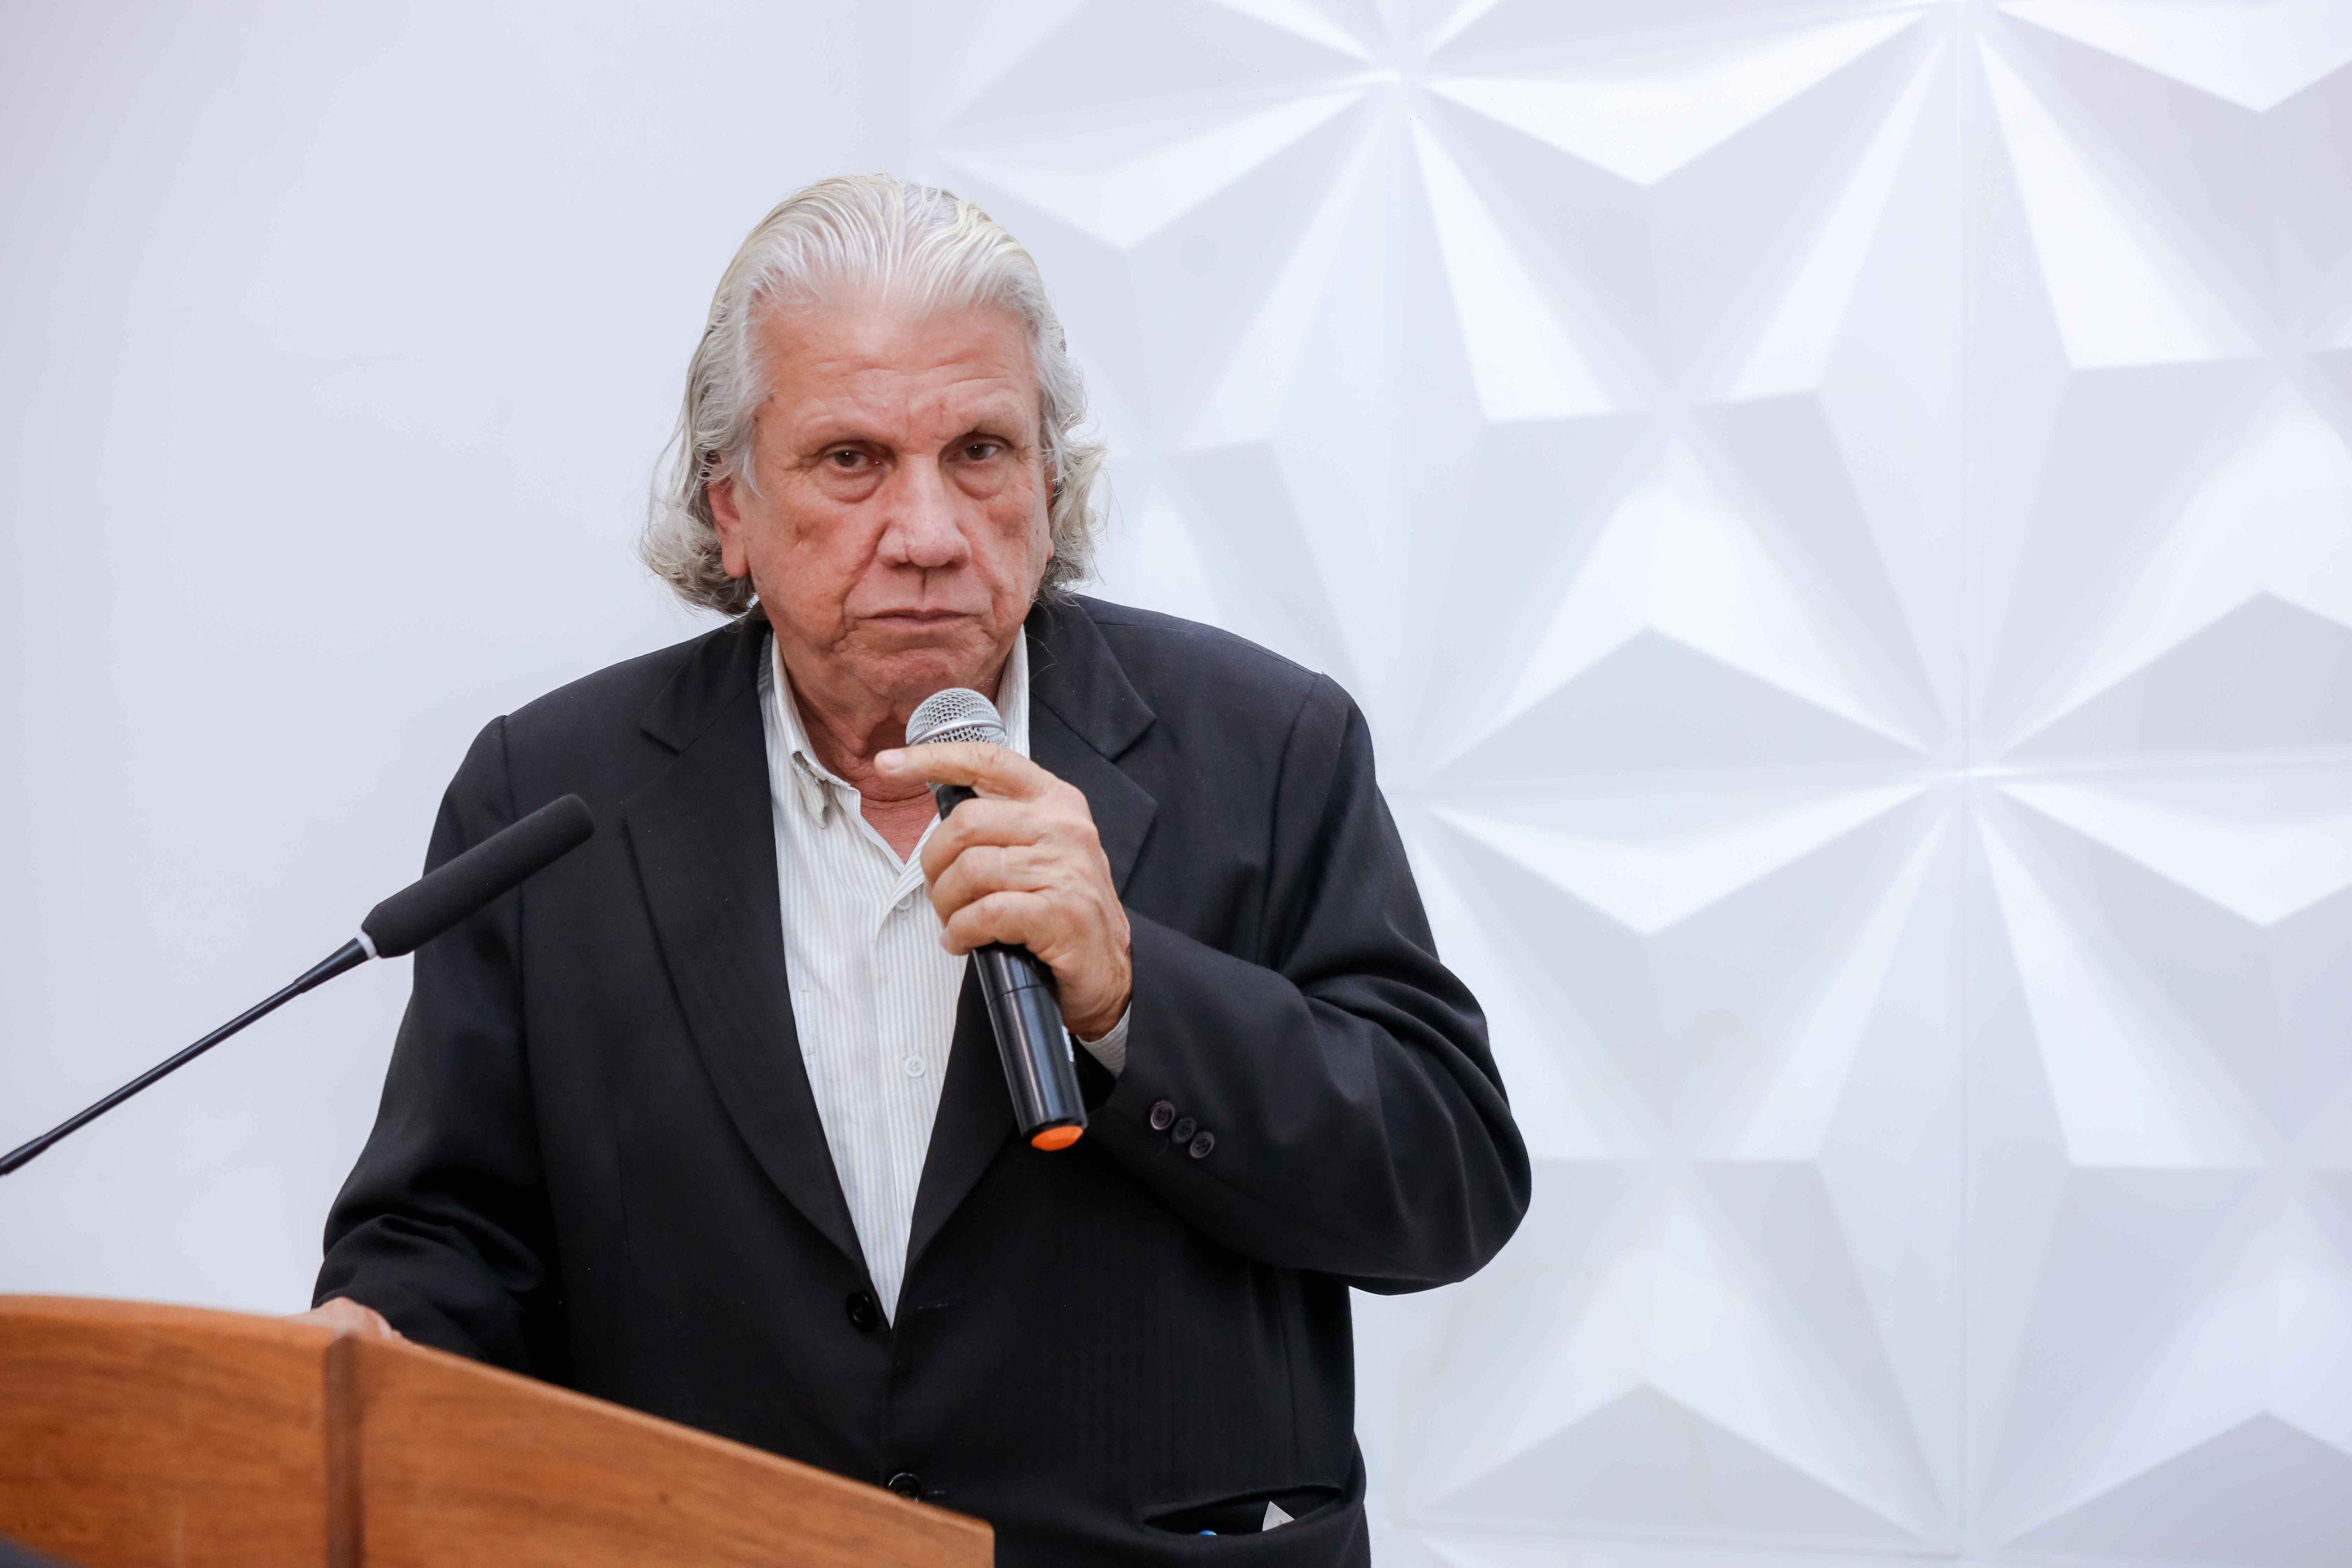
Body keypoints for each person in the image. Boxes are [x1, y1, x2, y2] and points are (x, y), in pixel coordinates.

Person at [303, 174, 1529, 1564]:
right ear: (731, 508)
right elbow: (452, 1232)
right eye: (852, 460)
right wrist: (380, 1337)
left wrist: (1134, 999)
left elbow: (1447, 1186)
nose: (931, 532)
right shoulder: (551, 796)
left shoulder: (1267, 748)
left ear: (1050, 489)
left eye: (981, 452)